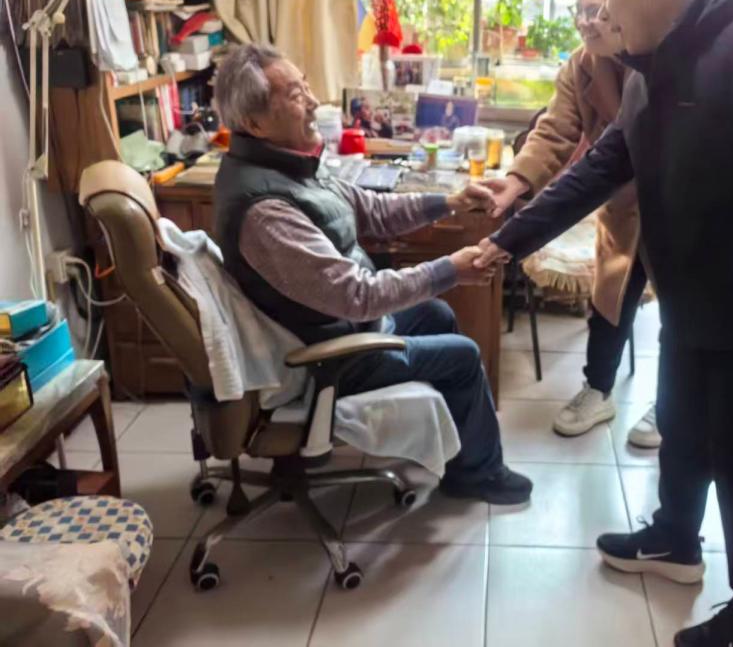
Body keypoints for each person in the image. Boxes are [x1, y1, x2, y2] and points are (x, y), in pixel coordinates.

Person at [475, 0, 733, 646]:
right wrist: (507, 241)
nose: (601, 12)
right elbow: (599, 169)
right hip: (690, 302)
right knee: (682, 426)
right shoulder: (649, 74)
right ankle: (675, 539)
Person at [212, 43, 532, 506]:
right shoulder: (265, 210)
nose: (313, 101)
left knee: (436, 315)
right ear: (255, 123)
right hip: (327, 355)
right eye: (296, 95)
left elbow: (372, 210)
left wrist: (450, 201)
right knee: (462, 356)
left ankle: (444, 445)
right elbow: (357, 295)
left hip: (340, 325)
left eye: (306, 86)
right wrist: (450, 269)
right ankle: (479, 474)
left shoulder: (289, 165)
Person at [482, 0, 658, 446]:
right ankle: (597, 390)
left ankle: (671, 405)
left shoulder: (661, 59)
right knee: (609, 302)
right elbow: (555, 129)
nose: (587, 21)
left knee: (681, 314)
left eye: (597, 8)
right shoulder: (581, 66)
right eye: (579, 10)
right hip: (619, 203)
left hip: (674, 208)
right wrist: (516, 182)